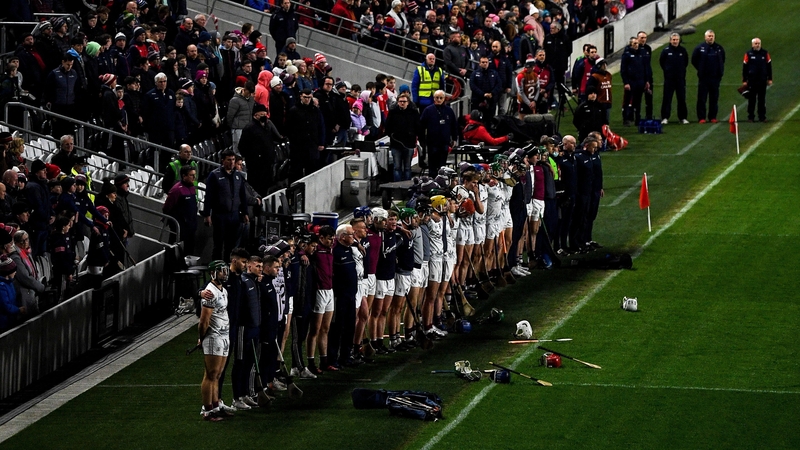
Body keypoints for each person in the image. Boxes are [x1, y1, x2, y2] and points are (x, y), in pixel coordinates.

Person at [199, 260, 233, 422]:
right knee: (211, 374)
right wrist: (201, 337)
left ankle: (216, 407)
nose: (225, 274)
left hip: (223, 335)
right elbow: (203, 321)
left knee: (218, 374)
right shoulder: (210, 292)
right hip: (214, 336)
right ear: (213, 273)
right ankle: (208, 411)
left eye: (225, 270)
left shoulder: (223, 290)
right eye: (221, 271)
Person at [202, 150, 250, 261]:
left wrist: (245, 212)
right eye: (229, 160)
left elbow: (242, 195)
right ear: (223, 160)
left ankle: (229, 267)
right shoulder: (214, 175)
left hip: (234, 215)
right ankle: (217, 267)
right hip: (220, 215)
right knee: (218, 244)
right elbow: (208, 196)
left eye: (233, 160)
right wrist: (207, 214)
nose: (232, 162)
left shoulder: (238, 175)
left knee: (231, 245)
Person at [328, 224, 360, 366]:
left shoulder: (350, 250)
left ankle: (346, 356)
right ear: (342, 237)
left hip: (351, 295)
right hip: (339, 296)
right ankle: (332, 358)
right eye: (351, 234)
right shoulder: (335, 252)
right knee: (337, 327)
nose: (353, 237)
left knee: (349, 327)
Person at [238, 103, 283, 196]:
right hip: (255, 165)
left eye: (265, 114)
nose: (264, 116)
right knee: (256, 186)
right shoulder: (249, 128)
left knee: (266, 186)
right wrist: (253, 157)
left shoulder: (267, 125)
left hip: (268, 162)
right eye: (262, 114)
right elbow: (242, 147)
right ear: (255, 115)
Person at [307, 225, 335, 374]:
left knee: (325, 328)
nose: (332, 241)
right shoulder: (316, 251)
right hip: (319, 291)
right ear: (321, 238)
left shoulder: (331, 249)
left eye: (333, 238)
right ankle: (311, 363)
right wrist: (303, 254)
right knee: (315, 329)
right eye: (329, 239)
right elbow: (303, 250)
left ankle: (324, 362)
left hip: (330, 290)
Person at [286, 89, 325, 182]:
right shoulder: (294, 110)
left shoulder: (315, 110)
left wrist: (321, 142)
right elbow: (288, 127)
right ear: (301, 97)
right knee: (296, 171)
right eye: (305, 97)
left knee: (312, 170)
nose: (307, 99)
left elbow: (321, 126)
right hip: (298, 146)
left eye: (309, 97)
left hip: (312, 144)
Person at [419, 90, 458, 177]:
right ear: (434, 98)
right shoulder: (428, 110)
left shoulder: (449, 111)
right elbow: (421, 126)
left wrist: (454, 138)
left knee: (442, 166)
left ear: (444, 98)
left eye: (441, 98)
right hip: (432, 142)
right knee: (432, 166)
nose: (439, 100)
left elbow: (454, 126)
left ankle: (442, 181)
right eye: (437, 98)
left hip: (445, 142)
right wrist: (422, 140)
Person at [163, 165, 198, 254]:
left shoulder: (192, 188)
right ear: (184, 176)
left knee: (190, 250)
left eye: (194, 175)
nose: (194, 177)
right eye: (191, 175)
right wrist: (174, 223)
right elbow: (167, 207)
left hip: (191, 226)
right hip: (180, 227)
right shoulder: (176, 190)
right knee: (174, 250)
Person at [385, 93, 421, 181]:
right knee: (397, 167)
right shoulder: (393, 112)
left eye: (404, 101)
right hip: (396, 144)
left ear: (408, 102)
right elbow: (387, 126)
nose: (402, 103)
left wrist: (413, 136)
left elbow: (418, 127)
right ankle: (397, 186)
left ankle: (407, 186)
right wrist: (392, 135)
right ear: (397, 102)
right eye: (400, 101)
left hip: (409, 144)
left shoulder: (413, 112)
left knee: (407, 167)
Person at [692, 30, 725, 123]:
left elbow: (722, 59)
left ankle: (712, 117)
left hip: (715, 77)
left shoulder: (719, 48)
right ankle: (701, 117)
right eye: (709, 36)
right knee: (702, 98)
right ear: (705, 37)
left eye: (712, 36)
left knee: (714, 98)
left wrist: (719, 72)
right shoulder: (699, 48)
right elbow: (694, 60)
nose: (710, 38)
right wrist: (700, 69)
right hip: (704, 78)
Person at [9, 231, 43, 316]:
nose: (25, 242)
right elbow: (24, 277)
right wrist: (39, 286)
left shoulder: (27, 252)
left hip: (32, 291)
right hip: (24, 293)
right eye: (22, 241)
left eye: (26, 239)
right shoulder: (15, 257)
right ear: (16, 242)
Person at [659, 33, 689, 125]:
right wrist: (668, 71)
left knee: (681, 98)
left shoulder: (683, 51)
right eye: (673, 39)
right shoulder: (666, 51)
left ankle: (683, 118)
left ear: (679, 40)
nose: (675, 41)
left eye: (677, 40)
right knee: (667, 98)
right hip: (669, 79)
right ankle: (665, 117)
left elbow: (686, 62)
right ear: (670, 40)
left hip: (680, 79)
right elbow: (662, 62)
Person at [742, 37, 772, 123]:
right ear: (752, 45)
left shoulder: (765, 53)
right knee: (752, 100)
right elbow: (744, 68)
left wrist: (770, 78)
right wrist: (744, 80)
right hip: (752, 80)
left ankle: (762, 117)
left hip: (762, 80)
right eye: (756, 43)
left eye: (758, 43)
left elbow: (769, 66)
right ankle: (751, 117)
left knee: (762, 99)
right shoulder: (748, 54)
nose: (757, 45)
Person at [469, 55, 502, 122]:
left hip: (491, 100)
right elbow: (472, 86)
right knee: (476, 120)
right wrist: (483, 94)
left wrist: (492, 93)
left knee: (490, 119)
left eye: (486, 62)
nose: (485, 64)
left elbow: (499, 84)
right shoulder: (474, 73)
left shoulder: (494, 73)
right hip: (477, 100)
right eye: (483, 62)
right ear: (479, 63)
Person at [0, 254, 26, 333]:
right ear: (8, 272)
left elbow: (13, 299)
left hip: (11, 320)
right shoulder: (1, 286)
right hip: (4, 324)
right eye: (14, 271)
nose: (15, 272)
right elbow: (5, 306)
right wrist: (18, 310)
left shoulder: (10, 283)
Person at [636, 31, 654, 120]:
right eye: (641, 38)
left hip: (648, 76)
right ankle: (637, 117)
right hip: (638, 78)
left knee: (649, 98)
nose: (643, 40)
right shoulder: (635, 49)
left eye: (645, 38)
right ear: (637, 38)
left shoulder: (648, 48)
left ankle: (649, 116)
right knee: (637, 99)